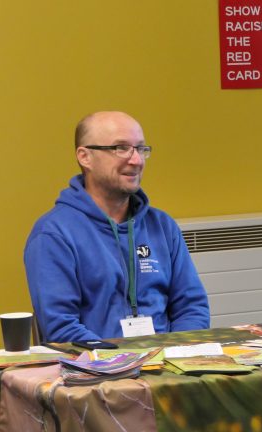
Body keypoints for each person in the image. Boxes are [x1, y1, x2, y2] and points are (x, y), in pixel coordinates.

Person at [24, 111, 210, 343]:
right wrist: (124, 359)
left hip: (168, 358)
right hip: (98, 362)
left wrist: (176, 351)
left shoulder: (162, 226)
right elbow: (62, 328)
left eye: (140, 148)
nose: (136, 160)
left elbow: (192, 307)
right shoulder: (54, 234)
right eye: (121, 148)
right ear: (85, 157)